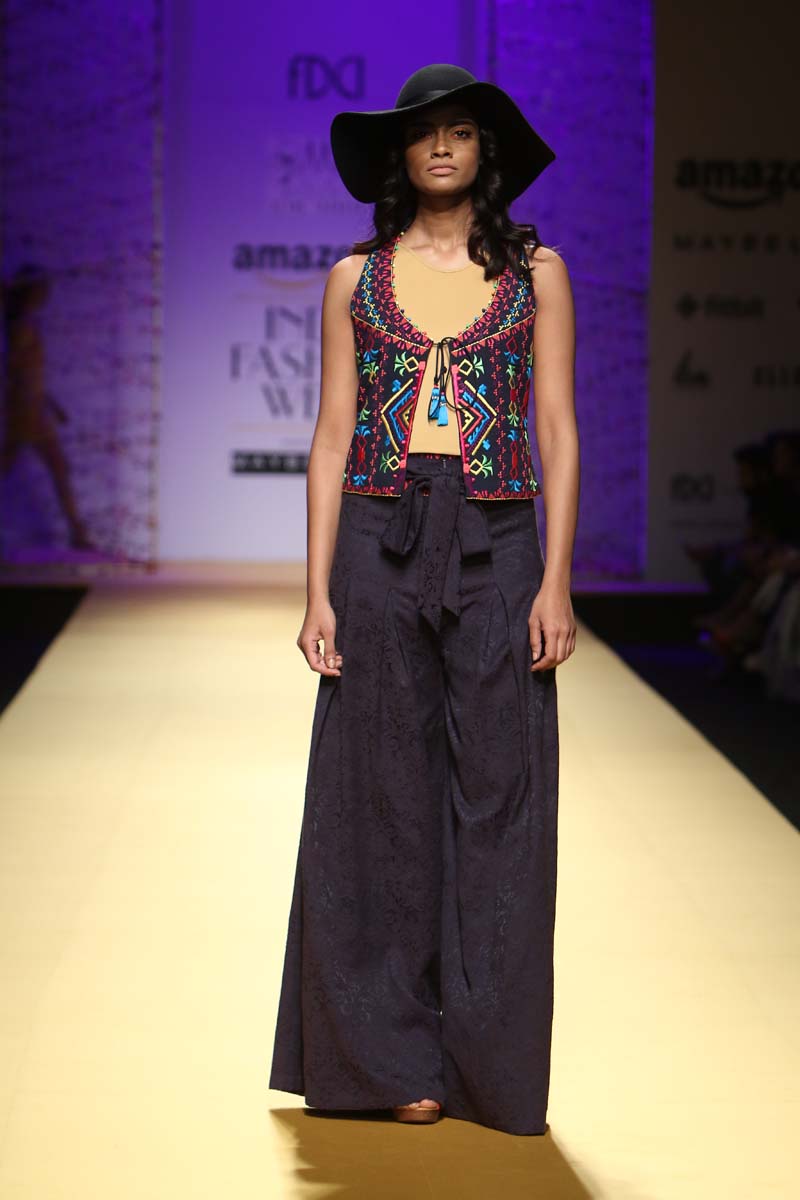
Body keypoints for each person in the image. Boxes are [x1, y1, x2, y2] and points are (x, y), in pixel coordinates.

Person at [269, 63, 579, 1136]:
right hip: (378, 533)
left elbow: (557, 429)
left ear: (484, 152)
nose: (442, 146)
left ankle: (489, 1067)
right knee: (378, 794)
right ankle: (388, 1057)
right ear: (399, 156)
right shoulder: (354, 278)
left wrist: (557, 579)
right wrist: (316, 591)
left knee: (500, 797)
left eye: (461, 131)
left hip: (499, 538)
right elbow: (329, 435)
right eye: (424, 132)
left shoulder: (537, 272)